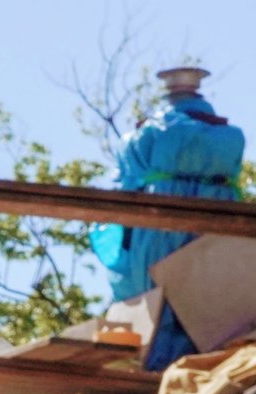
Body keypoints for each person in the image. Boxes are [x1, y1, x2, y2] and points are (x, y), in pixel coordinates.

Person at [94, 67, 246, 369]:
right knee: (209, 306)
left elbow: (125, 189)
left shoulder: (145, 136)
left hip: (155, 233)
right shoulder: (227, 137)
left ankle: (161, 366)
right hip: (216, 230)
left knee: (161, 310)